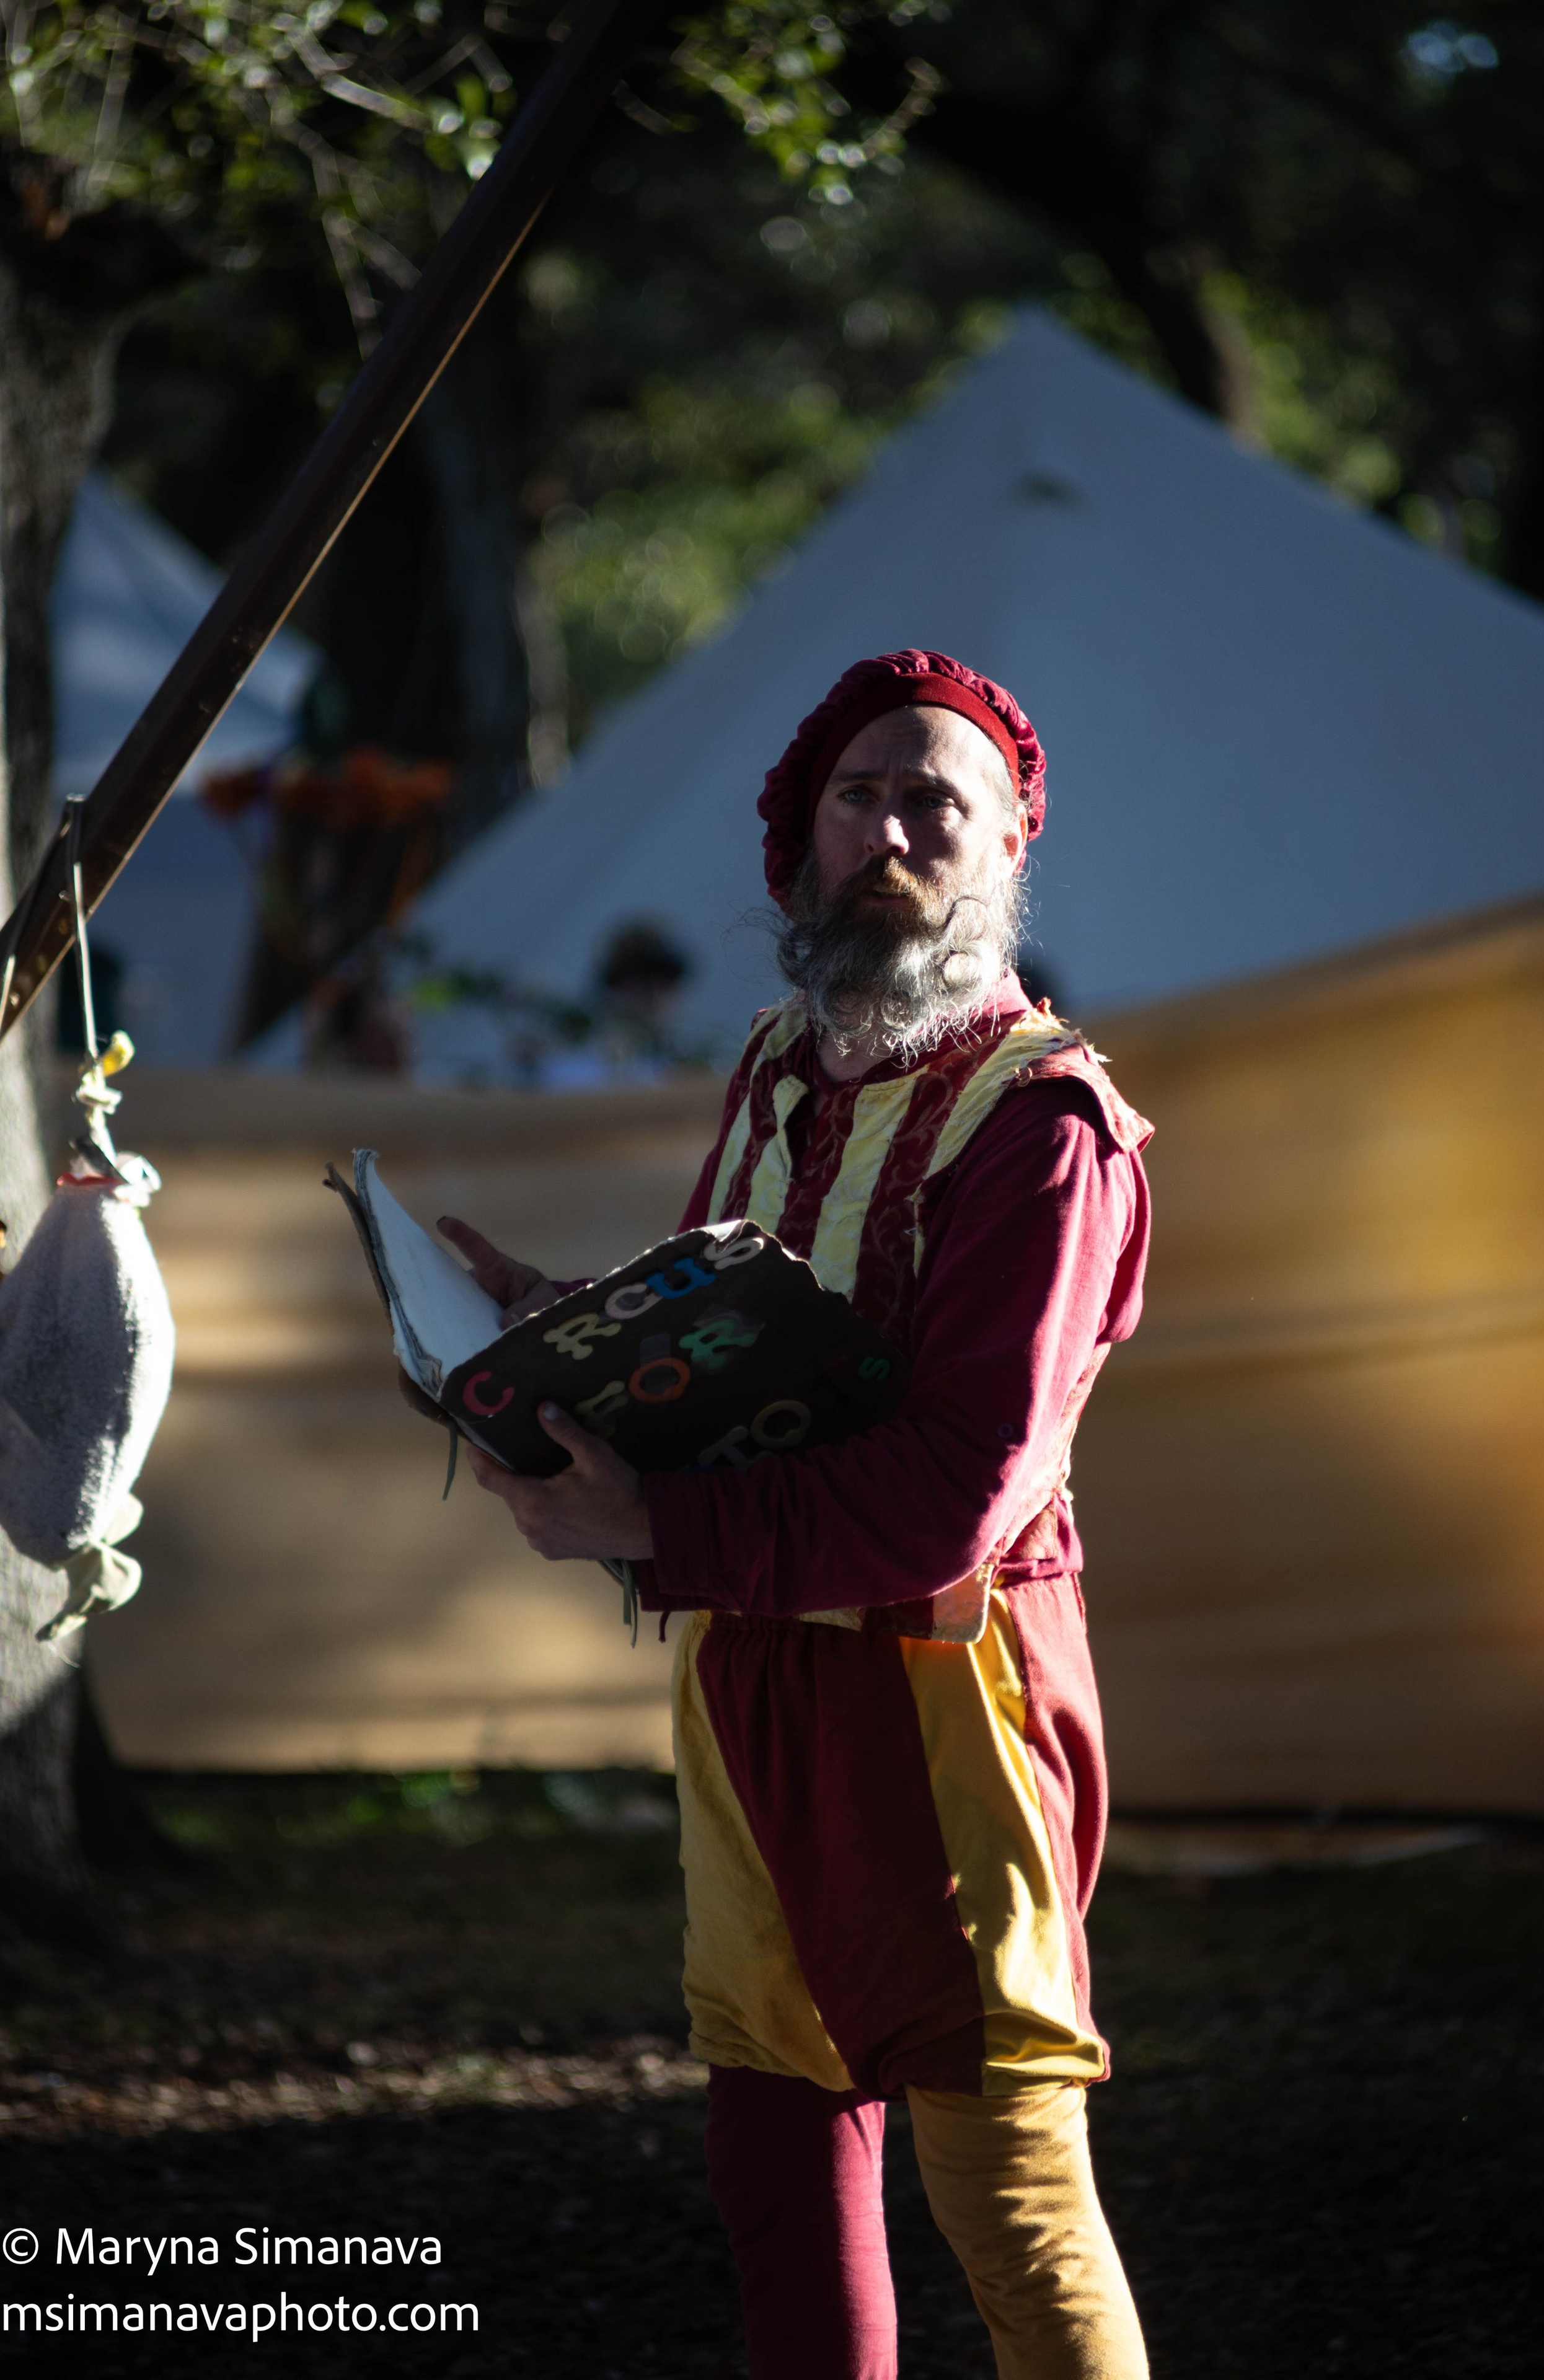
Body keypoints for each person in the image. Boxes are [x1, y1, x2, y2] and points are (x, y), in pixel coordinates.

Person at [439, 650, 1154, 2380]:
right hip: (748, 1686)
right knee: (777, 2152)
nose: (896, 833)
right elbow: (732, 1324)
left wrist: (653, 1536)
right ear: (800, 840)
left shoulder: (1048, 1130)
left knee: (1012, 2196)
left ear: (1006, 857)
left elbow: (960, 1490)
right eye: (861, 797)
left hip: (939, 1706)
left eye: (939, 805)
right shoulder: (781, 1064)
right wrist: (557, 1335)